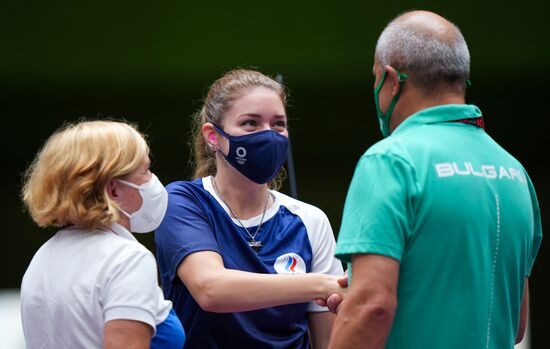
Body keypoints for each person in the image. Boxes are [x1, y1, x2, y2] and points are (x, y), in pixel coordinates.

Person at [328, 10, 542, 349]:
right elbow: (515, 324)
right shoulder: (516, 173)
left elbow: (372, 307)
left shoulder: (389, 161)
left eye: (374, 80)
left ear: (391, 80)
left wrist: (359, 306)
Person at [154, 68, 345, 348]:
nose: (268, 135)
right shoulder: (183, 201)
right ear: (213, 136)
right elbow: (211, 290)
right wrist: (322, 284)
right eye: (250, 123)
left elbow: (328, 342)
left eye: (278, 124)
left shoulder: (309, 219)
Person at [20, 120, 185, 349]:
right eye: (145, 170)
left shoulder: (42, 257)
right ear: (114, 189)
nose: (152, 179)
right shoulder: (127, 259)